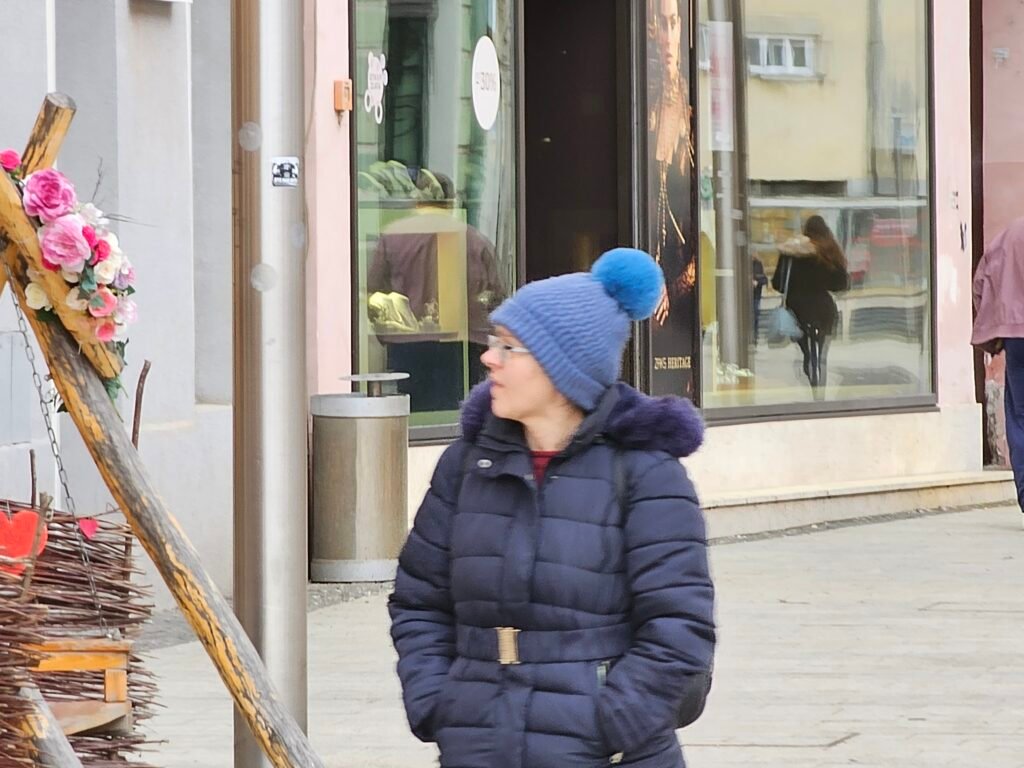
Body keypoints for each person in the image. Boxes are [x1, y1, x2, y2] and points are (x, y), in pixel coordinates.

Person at [389, 248, 716, 768]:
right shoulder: (467, 464)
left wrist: (613, 727)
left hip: (606, 753)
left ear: (563, 368)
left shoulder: (646, 474)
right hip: (478, 744)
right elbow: (419, 600)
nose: (489, 358)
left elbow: (679, 627)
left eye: (510, 347)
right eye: (494, 342)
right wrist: (437, 703)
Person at [971, 218, 1024, 528]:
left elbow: (981, 283)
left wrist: (995, 326)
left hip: (1016, 337)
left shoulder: (1008, 235)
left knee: (1019, 416)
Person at [772, 215, 849, 397]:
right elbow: (841, 284)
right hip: (823, 310)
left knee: (808, 353)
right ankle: (818, 392)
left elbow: (777, 283)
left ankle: (812, 382)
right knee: (821, 355)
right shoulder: (828, 251)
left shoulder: (790, 252)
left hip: (797, 310)